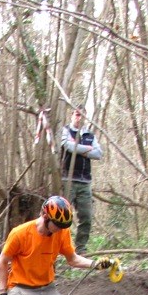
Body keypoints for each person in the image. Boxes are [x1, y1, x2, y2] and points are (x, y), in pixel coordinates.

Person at [59, 105, 104, 253]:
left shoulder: (90, 135)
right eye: (77, 115)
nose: (79, 118)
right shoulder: (66, 130)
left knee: (86, 216)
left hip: (85, 181)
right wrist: (86, 149)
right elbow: (68, 146)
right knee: (62, 216)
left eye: (82, 115)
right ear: (72, 115)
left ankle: (81, 249)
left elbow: (98, 154)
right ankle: (59, 247)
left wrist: (80, 150)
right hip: (68, 179)